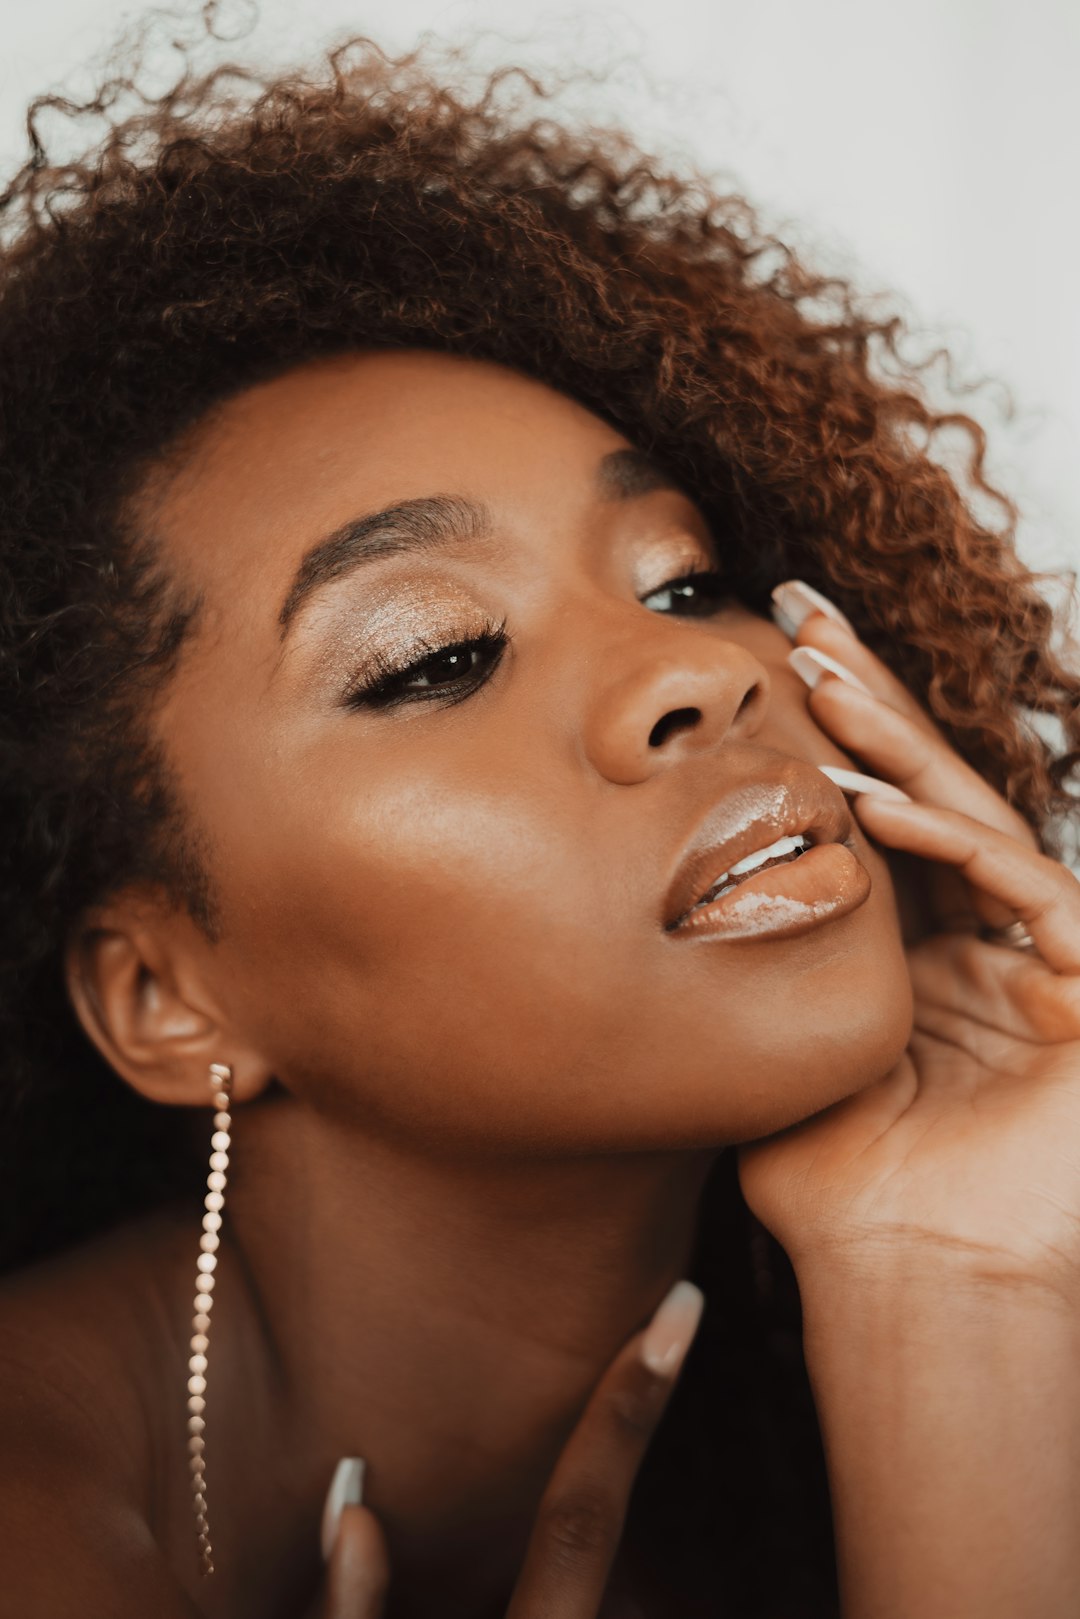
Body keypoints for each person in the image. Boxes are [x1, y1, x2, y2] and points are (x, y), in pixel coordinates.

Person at [2, 22, 1079, 1619]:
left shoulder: (827, 1395)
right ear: (167, 999)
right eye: (438, 656)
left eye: (685, 577)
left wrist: (953, 1282)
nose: (694, 675)